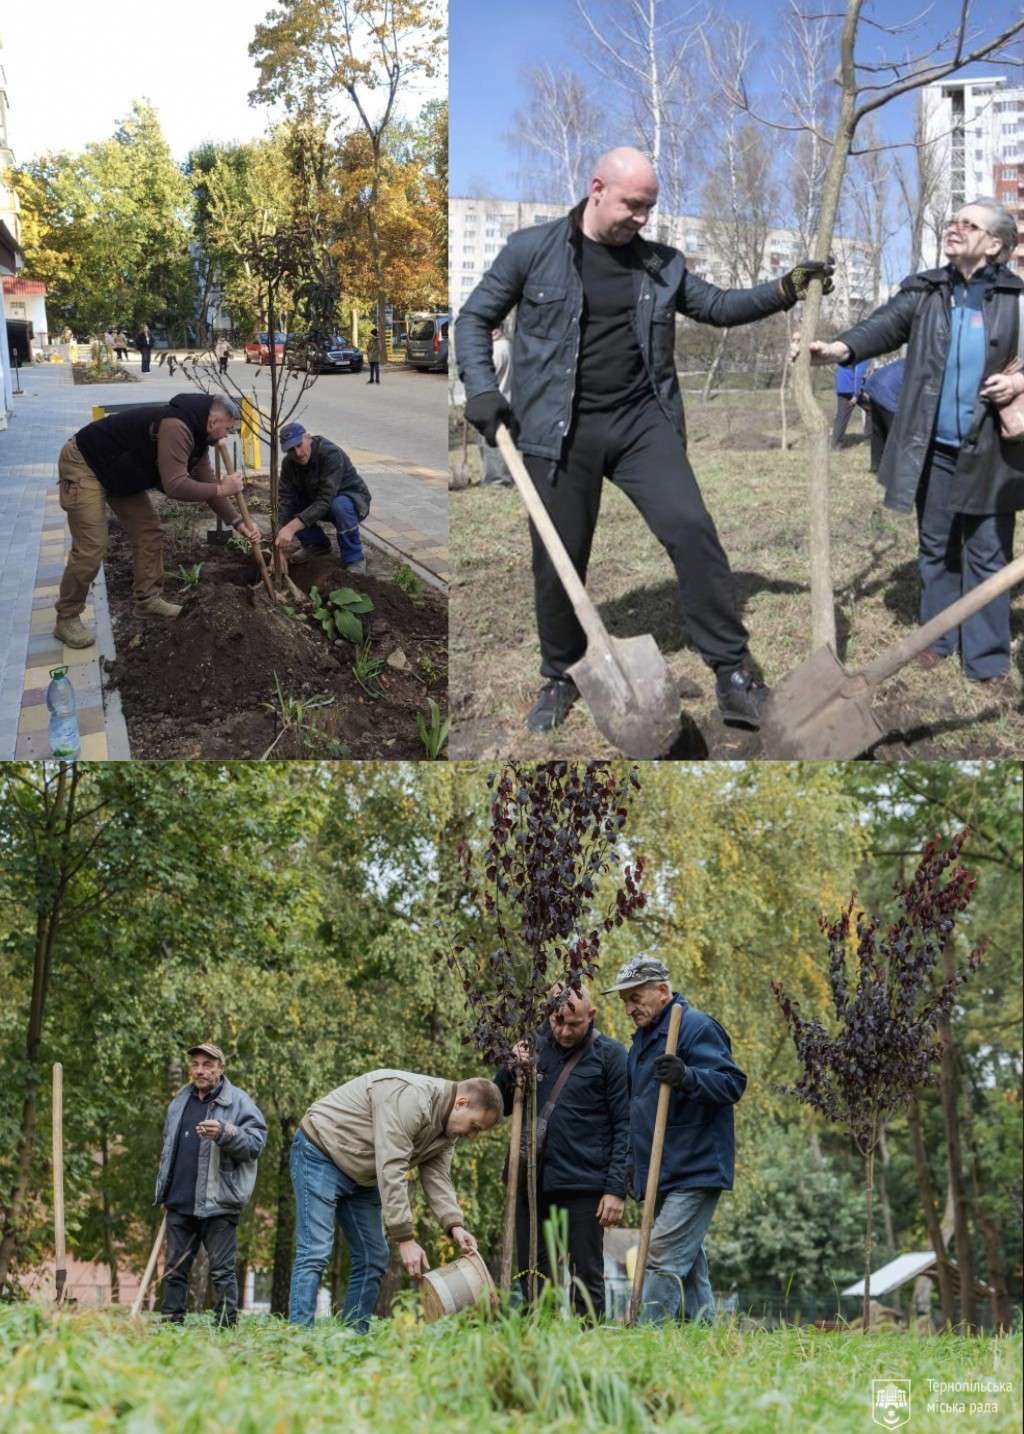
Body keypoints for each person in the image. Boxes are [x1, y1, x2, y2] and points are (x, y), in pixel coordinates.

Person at [456, 145, 833, 734]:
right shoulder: (532, 250)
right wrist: (481, 390)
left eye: (649, 208)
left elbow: (718, 307)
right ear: (598, 187)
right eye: (633, 204)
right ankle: (560, 672)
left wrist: (785, 288)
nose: (640, 218)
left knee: (691, 529)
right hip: (558, 430)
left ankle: (733, 671)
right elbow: (474, 320)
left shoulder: (661, 264)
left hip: (641, 423)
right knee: (559, 559)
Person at [799, 197, 1023, 686]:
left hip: (992, 451)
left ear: (996, 245)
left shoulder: (1017, 297)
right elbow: (883, 326)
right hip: (934, 447)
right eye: (954, 220)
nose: (955, 227)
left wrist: (1019, 383)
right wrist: (838, 348)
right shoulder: (927, 291)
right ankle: (937, 638)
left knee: (987, 550)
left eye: (970, 224)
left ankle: (985, 657)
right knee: (936, 544)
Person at [289, 1070, 502, 1331]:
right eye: (475, 1127)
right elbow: (391, 1165)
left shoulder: (447, 1135)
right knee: (316, 1249)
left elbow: (437, 1179)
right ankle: (298, 1337)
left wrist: (455, 1226)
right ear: (461, 1103)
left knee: (373, 1256)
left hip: (363, 1174)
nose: (473, 1136)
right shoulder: (413, 1098)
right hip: (321, 1151)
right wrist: (405, 1238)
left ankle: (352, 1338)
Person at [603, 954, 746, 1325]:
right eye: (625, 1002)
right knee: (691, 1266)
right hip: (662, 1170)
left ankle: (645, 1335)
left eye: (635, 998)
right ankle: (708, 1335)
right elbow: (639, 1113)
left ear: (663, 991)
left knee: (663, 1253)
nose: (629, 1008)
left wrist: (687, 1076)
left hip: (694, 1166)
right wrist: (632, 1167)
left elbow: (732, 1083)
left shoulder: (695, 1027)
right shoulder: (643, 1043)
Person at [53, 393, 259, 648]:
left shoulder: (198, 439)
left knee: (148, 531)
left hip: (121, 472)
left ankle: (148, 601)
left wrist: (238, 522)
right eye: (227, 428)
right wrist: (221, 489)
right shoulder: (177, 426)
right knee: (92, 545)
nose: (226, 435)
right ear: (213, 420)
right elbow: (176, 486)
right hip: (87, 463)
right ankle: (67, 617)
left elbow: (205, 483)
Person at [494, 983, 629, 1320]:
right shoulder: (531, 1049)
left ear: (592, 1016)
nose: (565, 1031)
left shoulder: (611, 1056)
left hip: (584, 1185)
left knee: (586, 1276)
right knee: (532, 1275)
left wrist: (616, 1189)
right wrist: (511, 1068)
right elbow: (499, 1104)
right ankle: (534, 1344)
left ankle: (586, 1348)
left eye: (575, 1024)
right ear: (548, 1014)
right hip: (531, 1183)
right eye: (558, 1021)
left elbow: (626, 1125)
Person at [154, 1042, 267, 1326]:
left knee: (222, 1272)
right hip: (180, 1202)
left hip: (219, 1202)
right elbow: (168, 1149)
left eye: (207, 1064)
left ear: (220, 1068)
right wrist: (163, 1192)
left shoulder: (238, 1102)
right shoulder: (180, 1100)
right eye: (195, 1065)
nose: (200, 1070)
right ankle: (171, 1327)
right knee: (174, 1271)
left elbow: (255, 1144)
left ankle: (225, 1328)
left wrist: (225, 1133)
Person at [274, 422, 372, 575]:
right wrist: (277, 548)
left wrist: (291, 528)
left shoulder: (330, 454)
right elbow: (286, 500)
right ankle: (316, 545)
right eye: (291, 450)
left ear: (308, 438)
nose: (298, 453)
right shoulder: (289, 464)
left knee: (339, 505)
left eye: (299, 445)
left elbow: (325, 500)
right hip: (319, 502)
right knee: (290, 507)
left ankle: (355, 558)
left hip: (351, 500)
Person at [478, 326, 514, 487]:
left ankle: (498, 481)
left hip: (496, 402)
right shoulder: (508, 345)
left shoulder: (498, 349)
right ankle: (499, 477)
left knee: (492, 443)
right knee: (497, 443)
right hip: (506, 400)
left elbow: (488, 376)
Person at [863, 359, 905, 475]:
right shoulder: (921, 368)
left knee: (878, 430)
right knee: (895, 433)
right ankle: (895, 469)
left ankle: (876, 465)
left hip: (873, 386)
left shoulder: (907, 361)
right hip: (886, 392)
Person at [830, 357, 868, 448]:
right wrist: (856, 394)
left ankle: (835, 445)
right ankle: (869, 439)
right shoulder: (864, 354)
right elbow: (858, 374)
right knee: (873, 409)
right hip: (851, 389)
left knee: (841, 417)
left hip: (841, 388)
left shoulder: (847, 352)